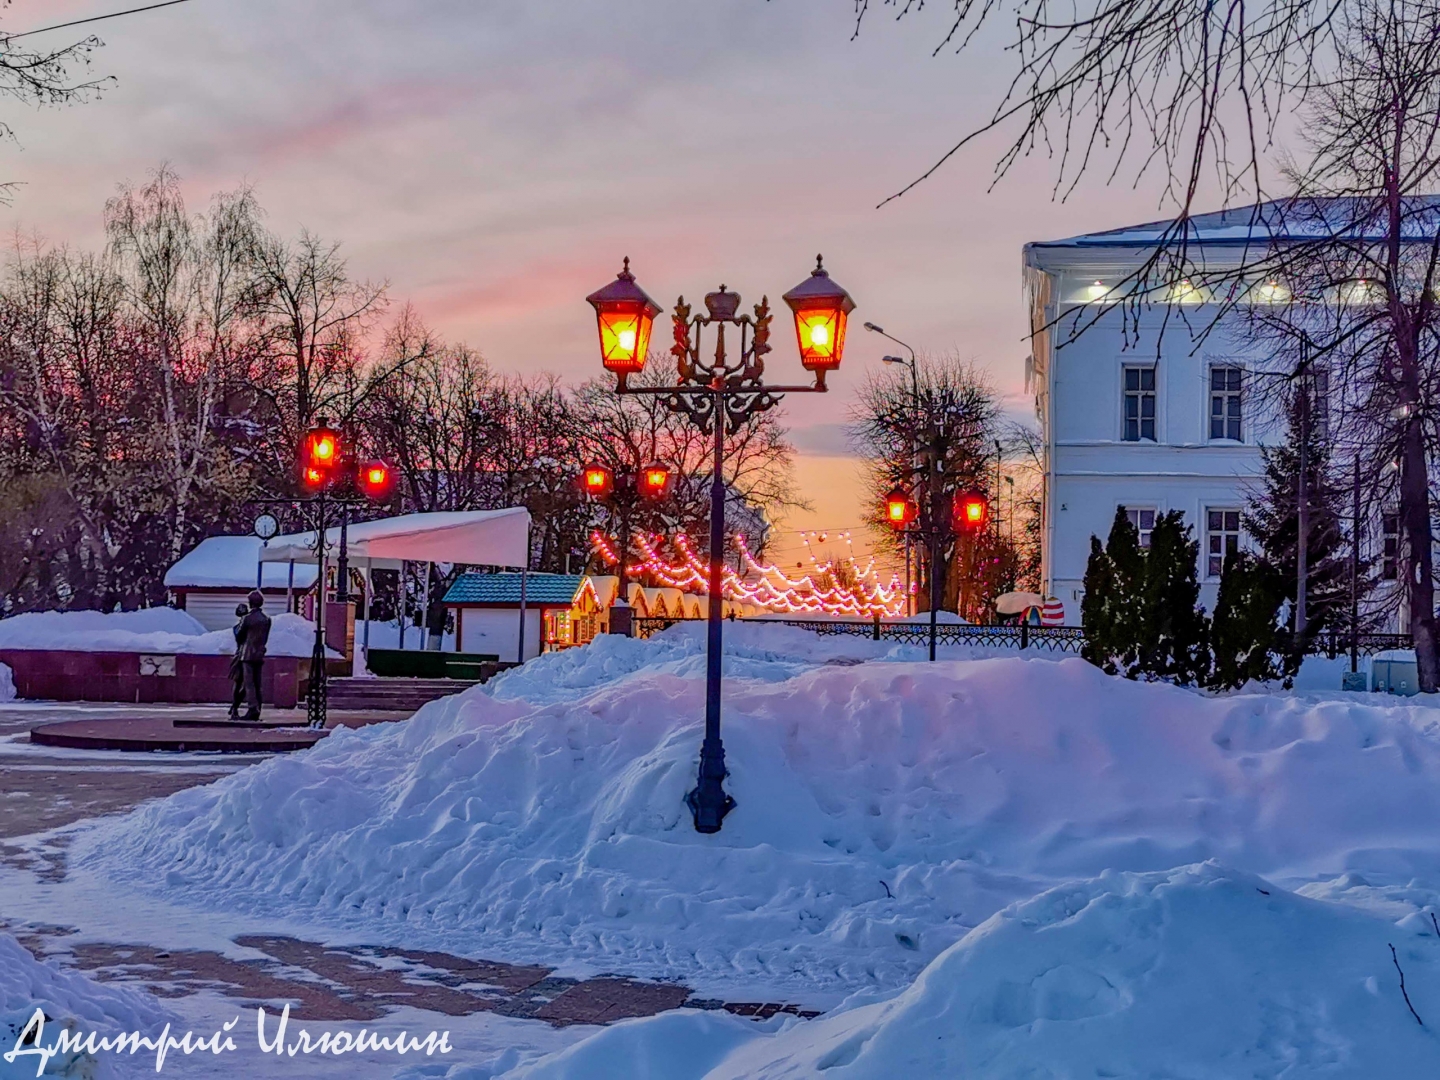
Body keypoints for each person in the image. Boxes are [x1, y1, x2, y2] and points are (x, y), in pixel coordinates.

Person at [236, 590, 272, 722]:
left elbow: (239, 635)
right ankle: (258, 709)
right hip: (260, 653)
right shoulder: (266, 620)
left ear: (251, 603)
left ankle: (252, 709)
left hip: (247, 655)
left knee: (249, 683)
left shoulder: (247, 618)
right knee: (258, 684)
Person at [227, 602, 249, 719]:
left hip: (244, 655)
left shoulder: (243, 626)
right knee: (240, 683)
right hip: (241, 655)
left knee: (243, 684)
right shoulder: (238, 628)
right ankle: (235, 707)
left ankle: (234, 706)